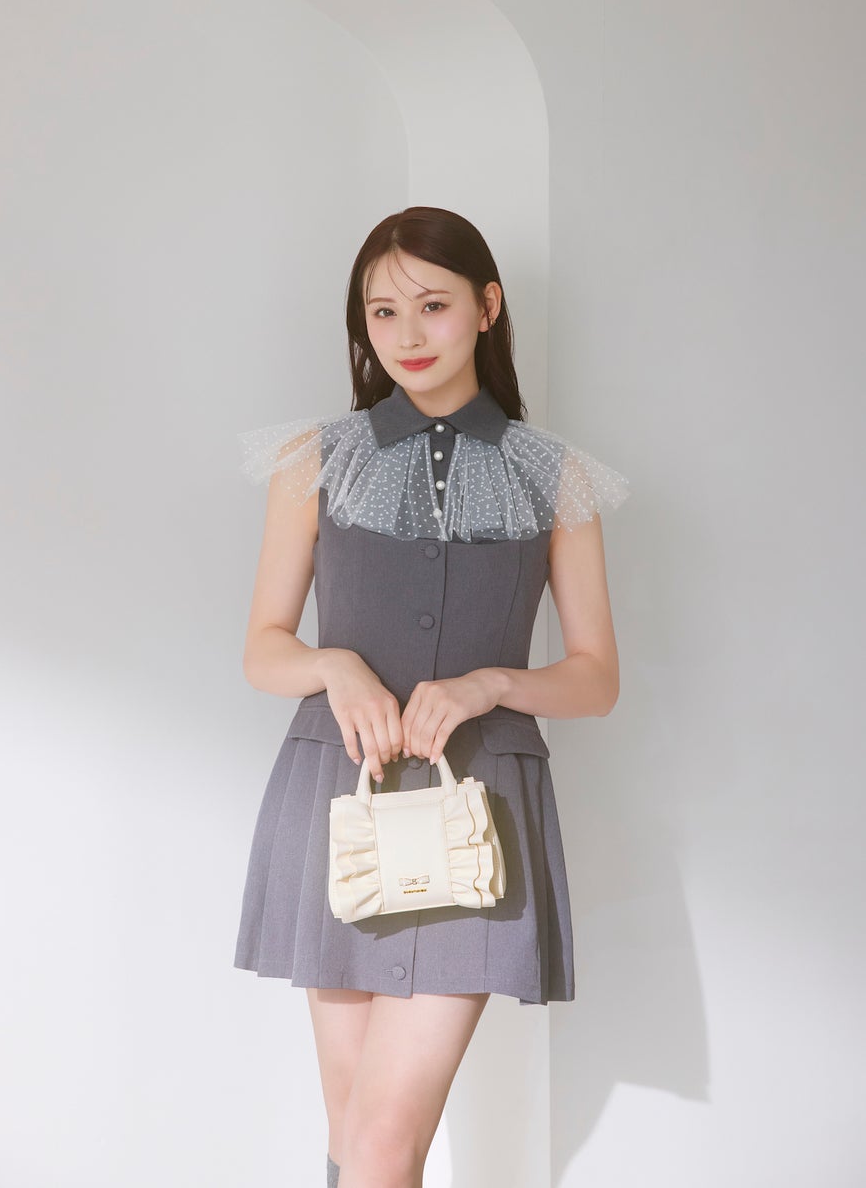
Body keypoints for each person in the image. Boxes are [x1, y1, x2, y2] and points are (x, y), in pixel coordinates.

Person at [233, 206, 630, 1188]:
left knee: (380, 1140)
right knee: (352, 1133)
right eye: (382, 311)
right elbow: (263, 650)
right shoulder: (313, 460)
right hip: (335, 796)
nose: (406, 334)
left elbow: (595, 678)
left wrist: (494, 681)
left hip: (478, 813)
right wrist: (334, 666)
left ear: (486, 307)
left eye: (432, 305)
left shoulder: (555, 476)